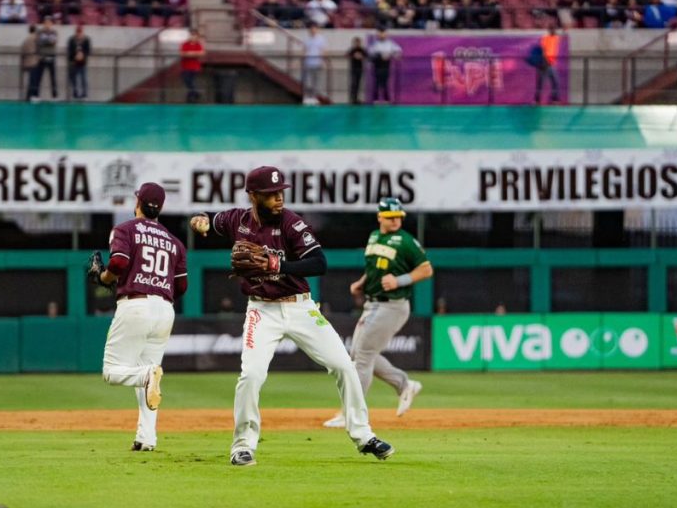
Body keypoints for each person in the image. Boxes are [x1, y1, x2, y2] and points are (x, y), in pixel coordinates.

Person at [189, 166, 395, 466]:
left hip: (300, 307)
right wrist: (201, 222)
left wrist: (277, 266)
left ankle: (364, 436)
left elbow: (319, 263)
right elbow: (211, 221)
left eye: (280, 192)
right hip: (261, 309)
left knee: (344, 366)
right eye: (271, 194)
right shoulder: (237, 219)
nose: (278, 199)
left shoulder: (291, 223)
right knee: (251, 375)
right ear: (253, 196)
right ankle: (243, 445)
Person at [89, 183, 187, 452]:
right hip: (165, 309)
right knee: (149, 377)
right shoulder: (175, 241)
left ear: (138, 203)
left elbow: (118, 264)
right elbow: (181, 287)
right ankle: (147, 437)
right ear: (161, 208)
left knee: (113, 372)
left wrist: (103, 277)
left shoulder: (125, 229)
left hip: (135, 304)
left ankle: (146, 375)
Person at [323, 198, 433, 428]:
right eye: (390, 217)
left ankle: (352, 414)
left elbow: (426, 269)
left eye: (398, 217)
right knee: (361, 353)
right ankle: (404, 384)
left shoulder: (405, 241)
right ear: (379, 217)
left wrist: (400, 280)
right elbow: (374, 267)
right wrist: (363, 282)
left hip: (391, 305)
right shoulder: (374, 236)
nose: (395, 221)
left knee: (361, 358)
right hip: (373, 304)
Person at [369, 27, 401, 103]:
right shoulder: (375, 43)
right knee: (377, 82)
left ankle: (386, 99)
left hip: (386, 64)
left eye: (383, 34)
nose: (382, 35)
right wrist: (380, 55)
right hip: (377, 64)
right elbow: (371, 52)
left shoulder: (390, 43)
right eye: (380, 34)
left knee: (385, 82)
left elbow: (398, 50)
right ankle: (375, 99)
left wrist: (391, 55)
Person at [534, 25, 560, 104]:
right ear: (549, 30)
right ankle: (536, 100)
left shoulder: (556, 38)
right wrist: (544, 61)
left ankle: (555, 99)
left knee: (555, 81)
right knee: (540, 83)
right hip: (543, 64)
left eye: (554, 29)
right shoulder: (545, 38)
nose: (553, 30)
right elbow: (543, 49)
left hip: (551, 64)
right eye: (551, 29)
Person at [301, 23, 326, 105]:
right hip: (308, 62)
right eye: (311, 29)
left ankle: (314, 97)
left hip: (317, 62)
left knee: (316, 81)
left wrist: (322, 61)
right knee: (308, 81)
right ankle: (307, 97)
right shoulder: (306, 39)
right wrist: (301, 61)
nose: (313, 30)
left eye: (314, 29)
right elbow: (304, 50)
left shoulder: (321, 39)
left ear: (317, 29)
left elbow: (322, 50)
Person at [36, 18, 59, 100]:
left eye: (49, 23)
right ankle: (36, 95)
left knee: (53, 77)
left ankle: (54, 96)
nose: (47, 25)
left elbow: (53, 41)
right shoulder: (40, 32)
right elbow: (40, 42)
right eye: (46, 23)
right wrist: (48, 40)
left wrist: (46, 40)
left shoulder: (54, 32)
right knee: (39, 77)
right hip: (42, 57)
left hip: (51, 57)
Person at [180, 29, 204, 103]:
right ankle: (195, 93)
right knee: (187, 81)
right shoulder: (185, 44)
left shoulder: (198, 44)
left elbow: (201, 53)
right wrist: (193, 54)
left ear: (197, 37)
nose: (192, 37)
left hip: (195, 67)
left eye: (194, 35)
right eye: (191, 35)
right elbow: (182, 53)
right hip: (185, 66)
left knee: (191, 81)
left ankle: (191, 96)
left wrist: (190, 54)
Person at [67, 25, 90, 99]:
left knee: (83, 78)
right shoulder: (71, 39)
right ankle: (75, 93)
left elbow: (88, 51)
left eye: (80, 32)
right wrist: (75, 56)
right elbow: (69, 50)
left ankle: (84, 93)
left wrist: (83, 55)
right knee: (73, 79)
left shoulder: (86, 40)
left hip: (83, 63)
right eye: (78, 32)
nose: (79, 34)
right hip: (74, 62)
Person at [21, 25, 40, 101]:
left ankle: (28, 96)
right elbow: (39, 49)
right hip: (34, 62)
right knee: (33, 81)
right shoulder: (36, 39)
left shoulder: (26, 40)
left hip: (26, 62)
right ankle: (31, 96)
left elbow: (23, 51)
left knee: (30, 80)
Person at [347, 36, 367, 105]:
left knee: (358, 84)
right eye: (356, 42)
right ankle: (352, 99)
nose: (357, 44)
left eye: (358, 42)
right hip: (353, 69)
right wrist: (354, 56)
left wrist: (361, 57)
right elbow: (347, 55)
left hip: (360, 69)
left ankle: (356, 98)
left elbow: (367, 55)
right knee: (353, 84)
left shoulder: (362, 50)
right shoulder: (352, 50)